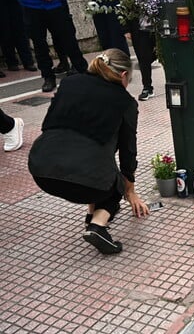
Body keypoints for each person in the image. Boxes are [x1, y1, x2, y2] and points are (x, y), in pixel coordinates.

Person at [28, 48, 149, 254]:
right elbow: (128, 151)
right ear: (122, 75)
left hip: (41, 168)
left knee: (94, 163)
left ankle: (90, 216)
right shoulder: (125, 102)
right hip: (85, 182)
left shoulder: (69, 82)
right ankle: (98, 226)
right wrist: (129, 189)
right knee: (115, 178)